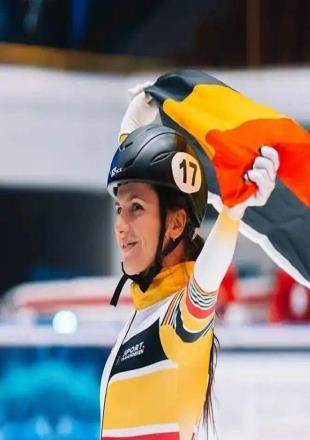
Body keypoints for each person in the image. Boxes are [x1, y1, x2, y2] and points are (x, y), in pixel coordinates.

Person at [99, 83, 279, 440]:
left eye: (135, 209)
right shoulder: (144, 313)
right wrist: (131, 130)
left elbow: (205, 285)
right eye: (119, 208)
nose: (119, 225)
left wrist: (232, 214)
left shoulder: (175, 325)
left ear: (177, 224)